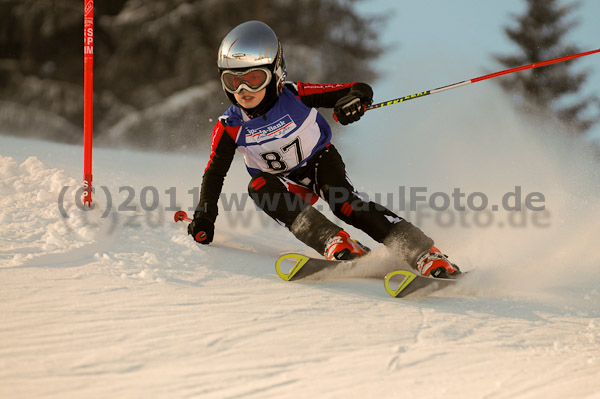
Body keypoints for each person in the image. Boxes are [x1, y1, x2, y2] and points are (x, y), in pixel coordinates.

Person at [188, 20, 460, 278]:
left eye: (254, 79)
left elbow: (356, 88)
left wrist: (354, 101)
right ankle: (333, 240)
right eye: (232, 81)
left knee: (345, 205)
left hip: (320, 163)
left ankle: (424, 253)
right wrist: (204, 216)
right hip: (286, 185)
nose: (243, 90)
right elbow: (214, 174)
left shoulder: (294, 95)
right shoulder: (230, 126)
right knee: (258, 186)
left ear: (276, 74)